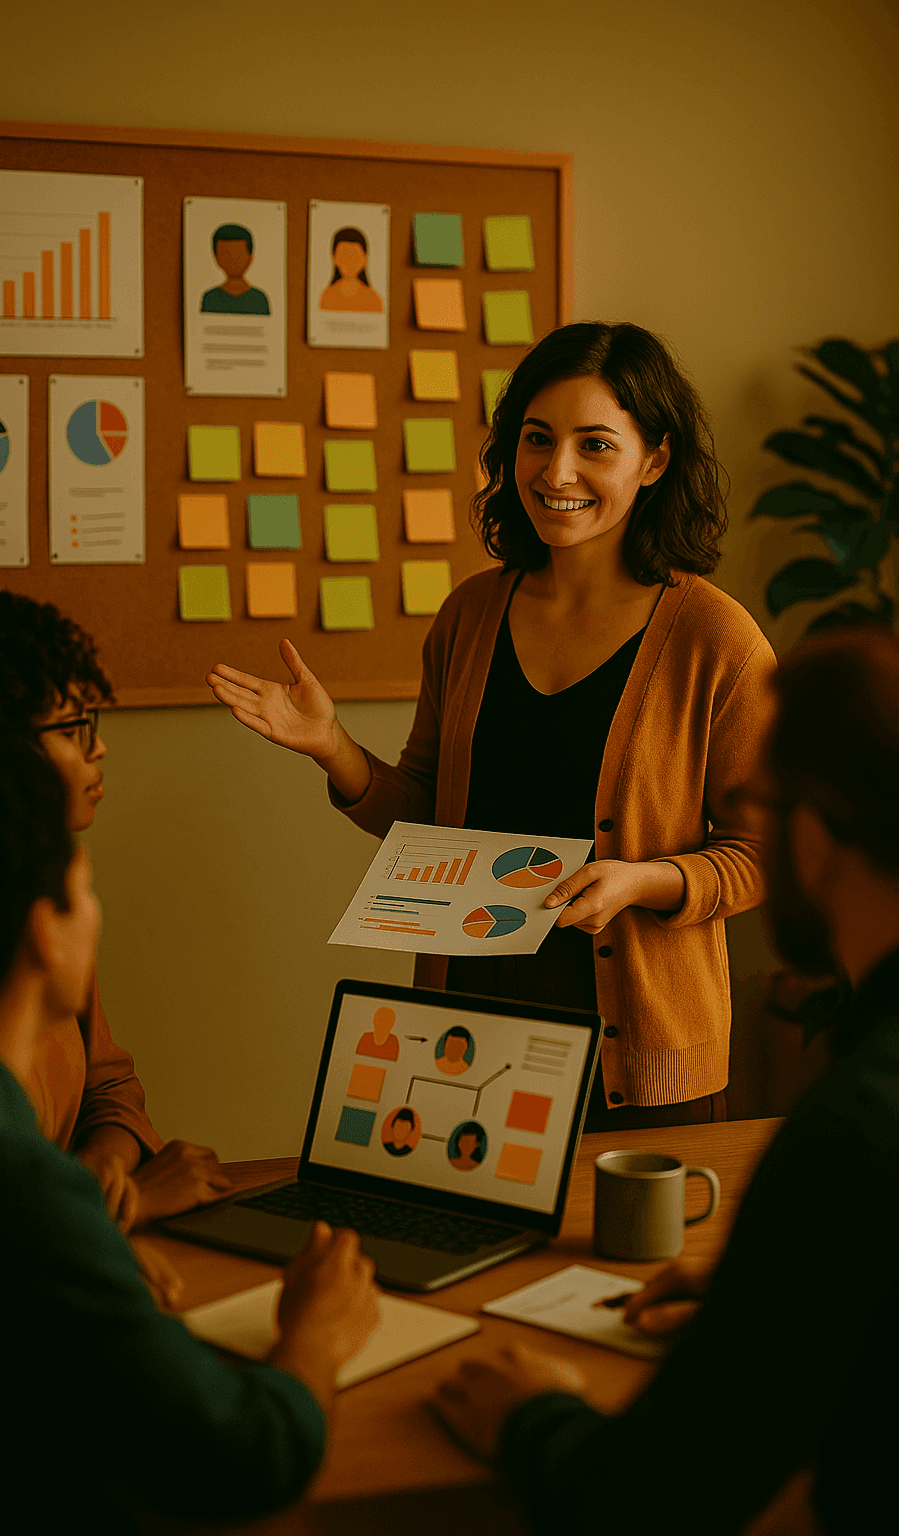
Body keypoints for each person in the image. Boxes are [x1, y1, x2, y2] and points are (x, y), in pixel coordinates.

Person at [207, 322, 776, 1129]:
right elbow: (433, 823)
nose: (558, 471)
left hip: (638, 1063)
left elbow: (763, 854)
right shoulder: (471, 614)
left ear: (655, 460)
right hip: (465, 1040)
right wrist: (332, 748)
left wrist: (640, 881)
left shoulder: (716, 641)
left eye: (596, 445)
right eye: (537, 439)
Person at [432, 629, 899, 1535]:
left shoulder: (854, 1127)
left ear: (809, 831)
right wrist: (777, 1303)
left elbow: (645, 1504)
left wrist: (529, 1415)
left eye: (759, 807)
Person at [0, 736, 378, 1534]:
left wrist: (88, 1248)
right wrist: (316, 1332)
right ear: (47, 930)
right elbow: (249, 1455)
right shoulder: (9, 1182)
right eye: (85, 890)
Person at [0, 592, 228, 1231]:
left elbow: (110, 1088)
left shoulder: (37, 896)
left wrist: (102, 1166)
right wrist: (108, 1210)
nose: (98, 751)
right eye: (70, 730)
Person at [201, 222, 271, 314]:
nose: (233, 260)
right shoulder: (211, 298)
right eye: (226, 255)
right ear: (216, 258)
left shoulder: (259, 299)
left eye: (238, 254)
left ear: (250, 257)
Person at [319, 226, 383, 313]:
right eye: (344, 256)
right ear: (334, 258)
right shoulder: (328, 296)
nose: (349, 262)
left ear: (365, 259)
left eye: (354, 256)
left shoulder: (373, 299)